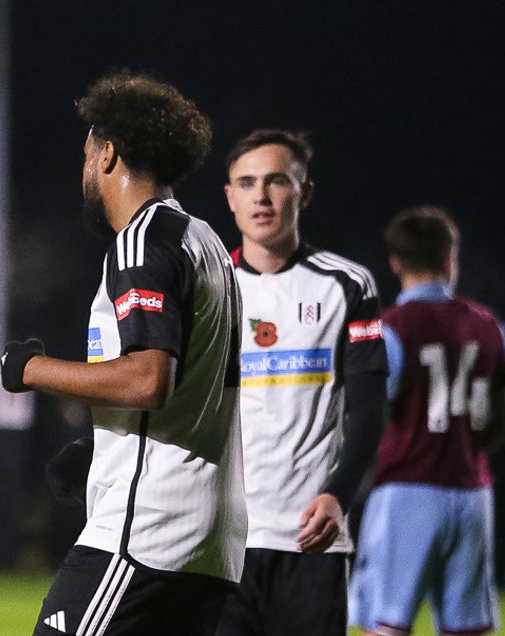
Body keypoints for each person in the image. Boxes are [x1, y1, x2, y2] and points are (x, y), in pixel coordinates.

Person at [1, 70, 247, 635]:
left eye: (87, 153)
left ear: (108, 153)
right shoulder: (205, 242)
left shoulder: (143, 242)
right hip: (211, 544)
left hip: (147, 534)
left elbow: (148, 379)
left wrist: (29, 370)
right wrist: (98, 446)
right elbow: (192, 388)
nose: (84, 170)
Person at [216, 129, 388, 635]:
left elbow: (370, 408)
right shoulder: (205, 287)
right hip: (221, 541)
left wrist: (340, 494)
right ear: (230, 197)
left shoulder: (347, 285)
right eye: (246, 183)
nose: (261, 196)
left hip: (310, 538)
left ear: (304, 192)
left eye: (277, 182)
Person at [349, 206, 504, 635]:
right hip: (473, 493)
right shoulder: (489, 325)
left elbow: (368, 408)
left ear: (395, 262)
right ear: (450, 256)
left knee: (386, 624)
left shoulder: (391, 328)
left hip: (407, 490)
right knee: (467, 628)